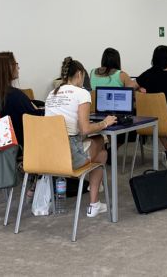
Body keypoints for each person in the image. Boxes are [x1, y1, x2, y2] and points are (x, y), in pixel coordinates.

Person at [45, 57, 114, 218]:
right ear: (79, 74)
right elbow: (85, 129)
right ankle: (93, 204)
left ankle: (95, 203)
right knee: (100, 144)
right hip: (69, 156)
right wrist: (104, 123)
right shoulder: (82, 93)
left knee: (101, 155)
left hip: (48, 154)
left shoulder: (51, 93)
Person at [0, 52, 42, 146]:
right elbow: (34, 118)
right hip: (15, 147)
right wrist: (43, 110)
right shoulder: (14, 95)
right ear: (8, 68)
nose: (18, 68)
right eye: (16, 64)